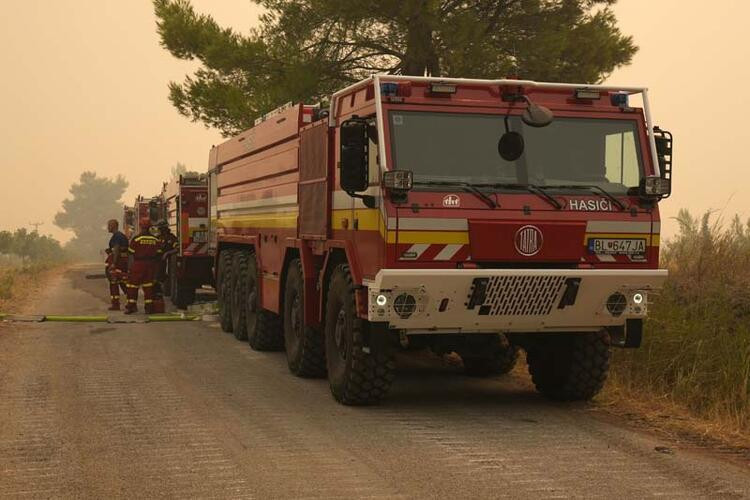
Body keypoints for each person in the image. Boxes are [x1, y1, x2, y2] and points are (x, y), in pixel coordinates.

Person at [124, 218, 162, 314]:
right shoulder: (155, 239)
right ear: (150, 227)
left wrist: (129, 268)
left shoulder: (136, 239)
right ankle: (149, 308)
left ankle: (131, 307)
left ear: (141, 227)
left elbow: (130, 254)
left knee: (132, 286)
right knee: (148, 287)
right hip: (150, 265)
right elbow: (159, 255)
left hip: (138, 264)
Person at [105, 219, 129, 311]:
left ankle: (116, 305)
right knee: (123, 282)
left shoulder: (117, 236)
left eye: (109, 225)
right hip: (122, 261)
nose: (108, 227)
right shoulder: (120, 236)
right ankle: (131, 302)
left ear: (113, 226)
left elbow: (117, 249)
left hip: (119, 262)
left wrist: (114, 264)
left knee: (114, 282)